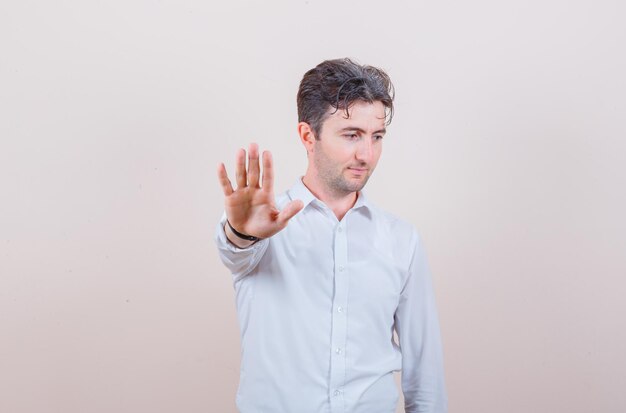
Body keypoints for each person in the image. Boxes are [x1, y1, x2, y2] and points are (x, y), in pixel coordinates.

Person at [215, 58, 447, 413]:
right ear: (308, 136)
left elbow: (425, 378)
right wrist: (242, 234)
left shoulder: (402, 240)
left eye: (377, 136)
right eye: (352, 135)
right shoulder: (264, 225)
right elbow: (235, 252)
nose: (367, 154)